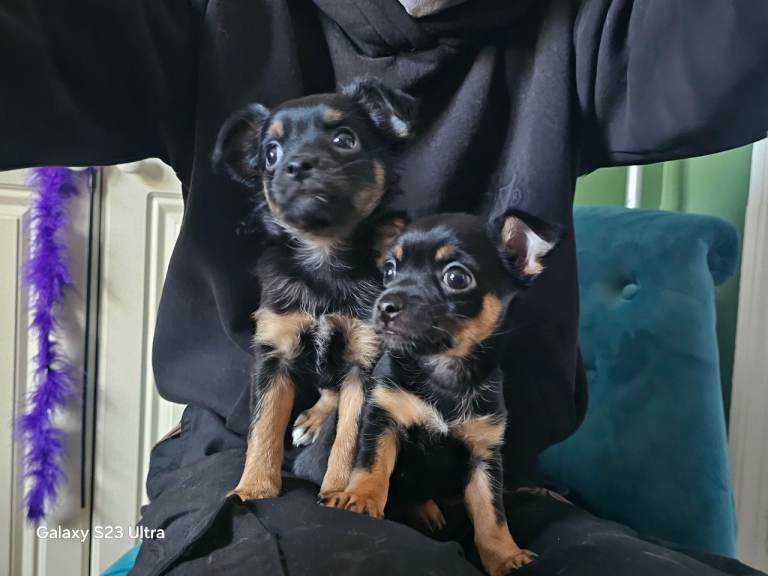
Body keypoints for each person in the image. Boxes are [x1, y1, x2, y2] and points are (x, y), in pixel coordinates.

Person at [3, 1, 767, 574]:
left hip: (492, 477)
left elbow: (729, 43)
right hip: (247, 465)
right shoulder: (195, 17)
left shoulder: (594, 26)